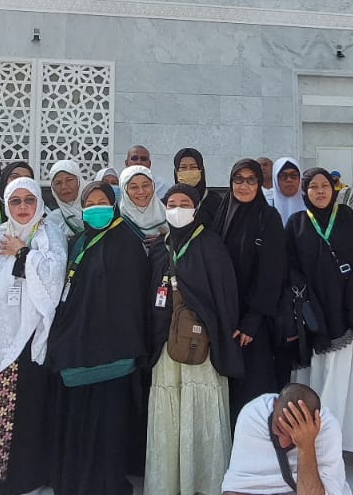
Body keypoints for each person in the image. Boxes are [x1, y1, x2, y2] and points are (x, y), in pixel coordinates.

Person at [47, 180, 153, 495]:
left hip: (113, 350)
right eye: (90, 205)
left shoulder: (127, 242)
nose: (96, 209)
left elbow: (133, 298)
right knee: (78, 422)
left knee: (109, 424)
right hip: (78, 346)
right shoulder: (79, 241)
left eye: (102, 203)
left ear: (113, 205)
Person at [286, 168, 353, 476]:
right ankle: (317, 449)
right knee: (321, 384)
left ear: (334, 189)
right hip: (317, 319)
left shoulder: (348, 218)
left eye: (325, 186)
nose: (320, 191)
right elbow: (290, 269)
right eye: (314, 187)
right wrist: (310, 302)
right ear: (305, 191)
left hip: (351, 315)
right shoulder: (297, 224)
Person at [145, 184, 243, 495]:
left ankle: (203, 481)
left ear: (196, 207)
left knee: (199, 407)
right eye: (172, 203)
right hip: (166, 343)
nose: (177, 209)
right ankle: (168, 482)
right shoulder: (160, 247)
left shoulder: (210, 245)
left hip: (201, 345)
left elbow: (225, 295)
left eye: (184, 203)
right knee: (170, 407)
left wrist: (220, 333)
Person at [0, 177, 65, 495]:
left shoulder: (50, 234)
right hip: (0, 337)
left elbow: (54, 279)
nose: (23, 207)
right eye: (15, 201)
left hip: (34, 338)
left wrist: (24, 252)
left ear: (39, 203)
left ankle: (27, 479)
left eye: (29, 200)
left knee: (29, 411)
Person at [217, 158, 292, 416]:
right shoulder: (222, 214)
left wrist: (252, 320)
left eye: (251, 180)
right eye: (238, 179)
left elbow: (272, 273)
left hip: (254, 323)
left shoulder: (267, 217)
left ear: (260, 184)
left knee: (253, 388)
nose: (244, 186)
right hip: (225, 316)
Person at [221, 384, 352, 495]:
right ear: (275, 405)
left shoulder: (327, 429)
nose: (283, 443)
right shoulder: (253, 415)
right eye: (279, 429)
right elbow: (237, 485)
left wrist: (306, 446)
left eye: (293, 438)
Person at [173, 147, 225, 226]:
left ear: (201, 170)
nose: (188, 171)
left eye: (193, 167)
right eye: (183, 167)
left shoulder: (215, 201)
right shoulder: (169, 202)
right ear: (176, 171)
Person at [119, 165, 169, 246]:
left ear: (153, 186)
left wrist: (167, 240)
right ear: (125, 191)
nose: (141, 191)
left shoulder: (169, 214)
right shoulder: (119, 223)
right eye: (134, 187)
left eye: (145, 185)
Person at [48, 159, 87, 236]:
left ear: (79, 181)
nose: (64, 187)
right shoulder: (52, 221)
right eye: (58, 183)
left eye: (69, 180)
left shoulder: (95, 210)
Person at [272, 157, 307, 227]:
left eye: (294, 175)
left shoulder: (310, 204)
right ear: (276, 179)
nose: (289, 180)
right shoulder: (267, 204)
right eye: (283, 176)